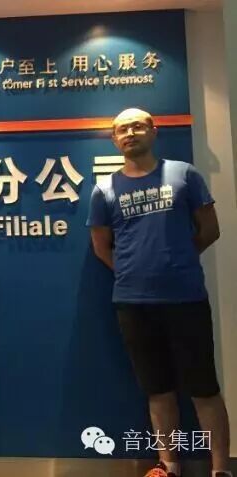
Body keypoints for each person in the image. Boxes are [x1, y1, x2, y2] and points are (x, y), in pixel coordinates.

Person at [86, 108, 231, 477]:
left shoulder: (184, 174)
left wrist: (179, 260)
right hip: (133, 304)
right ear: (115, 140)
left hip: (187, 299)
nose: (130, 133)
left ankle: (220, 469)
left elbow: (210, 229)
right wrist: (133, 272)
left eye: (137, 126)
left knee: (204, 389)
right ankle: (169, 466)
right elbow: (101, 246)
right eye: (122, 129)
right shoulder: (104, 190)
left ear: (153, 131)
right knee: (158, 389)